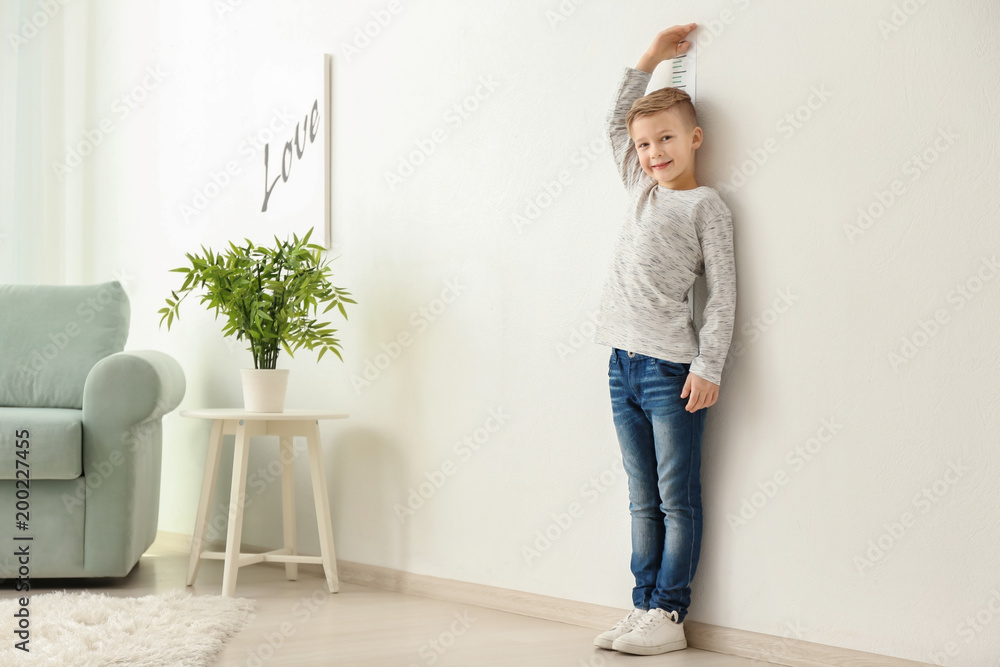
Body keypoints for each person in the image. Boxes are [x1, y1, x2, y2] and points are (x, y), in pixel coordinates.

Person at [591, 23, 737, 656]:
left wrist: (709, 368)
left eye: (667, 139)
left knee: (677, 497)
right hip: (620, 366)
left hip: (669, 371)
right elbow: (615, 123)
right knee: (640, 497)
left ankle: (670, 615)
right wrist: (650, 58)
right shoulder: (640, 188)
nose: (654, 152)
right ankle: (642, 605)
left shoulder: (705, 206)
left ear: (694, 138)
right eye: (646, 144)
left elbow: (725, 296)